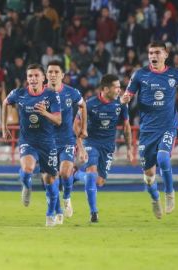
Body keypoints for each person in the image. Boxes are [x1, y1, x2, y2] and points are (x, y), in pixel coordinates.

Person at [123, 42, 178, 219]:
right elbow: (128, 94)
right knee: (149, 176)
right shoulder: (140, 74)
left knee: (163, 157)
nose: (153, 55)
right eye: (151, 52)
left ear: (165, 54)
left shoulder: (176, 74)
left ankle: (169, 193)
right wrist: (125, 98)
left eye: (157, 52)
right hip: (147, 131)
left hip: (168, 126)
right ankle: (155, 198)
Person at [2, 64, 62, 227]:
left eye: (36, 76)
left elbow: (58, 120)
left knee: (50, 179)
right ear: (27, 79)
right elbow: (5, 103)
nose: (33, 79)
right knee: (27, 169)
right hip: (28, 141)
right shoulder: (19, 93)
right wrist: (4, 126)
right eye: (30, 76)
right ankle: (26, 186)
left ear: (43, 78)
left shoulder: (51, 95)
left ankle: (50, 214)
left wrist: (45, 113)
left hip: (47, 142)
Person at [73, 74, 133, 223]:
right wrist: (80, 146)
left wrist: (130, 149)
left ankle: (75, 175)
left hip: (108, 147)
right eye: (117, 87)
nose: (120, 90)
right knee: (92, 174)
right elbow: (76, 124)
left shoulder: (120, 105)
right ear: (106, 89)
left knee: (99, 182)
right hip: (91, 143)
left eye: (120, 87)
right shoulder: (90, 104)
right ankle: (94, 213)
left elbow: (126, 127)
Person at [45, 60, 87, 219]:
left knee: (64, 172)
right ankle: (57, 211)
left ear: (62, 75)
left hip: (67, 140)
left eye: (56, 72)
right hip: (47, 142)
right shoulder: (40, 94)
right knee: (50, 178)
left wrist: (84, 128)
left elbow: (83, 106)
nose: (53, 75)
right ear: (46, 75)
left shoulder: (71, 92)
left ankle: (67, 197)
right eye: (50, 72)